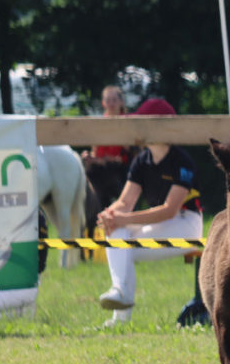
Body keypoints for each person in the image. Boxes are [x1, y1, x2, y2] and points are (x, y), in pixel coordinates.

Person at [97, 98, 204, 327]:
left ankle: (121, 304)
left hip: (187, 225)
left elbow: (169, 210)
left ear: (159, 126)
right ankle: (120, 303)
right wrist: (109, 214)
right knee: (117, 231)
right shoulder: (141, 160)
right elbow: (125, 202)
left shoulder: (182, 161)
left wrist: (122, 217)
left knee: (121, 238)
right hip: (160, 226)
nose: (137, 128)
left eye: (142, 123)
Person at [81, 85, 133, 207]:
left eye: (114, 100)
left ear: (121, 102)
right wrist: (89, 157)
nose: (111, 103)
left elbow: (130, 151)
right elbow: (95, 151)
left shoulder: (127, 122)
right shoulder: (99, 124)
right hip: (100, 170)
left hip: (121, 171)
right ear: (103, 103)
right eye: (108, 100)